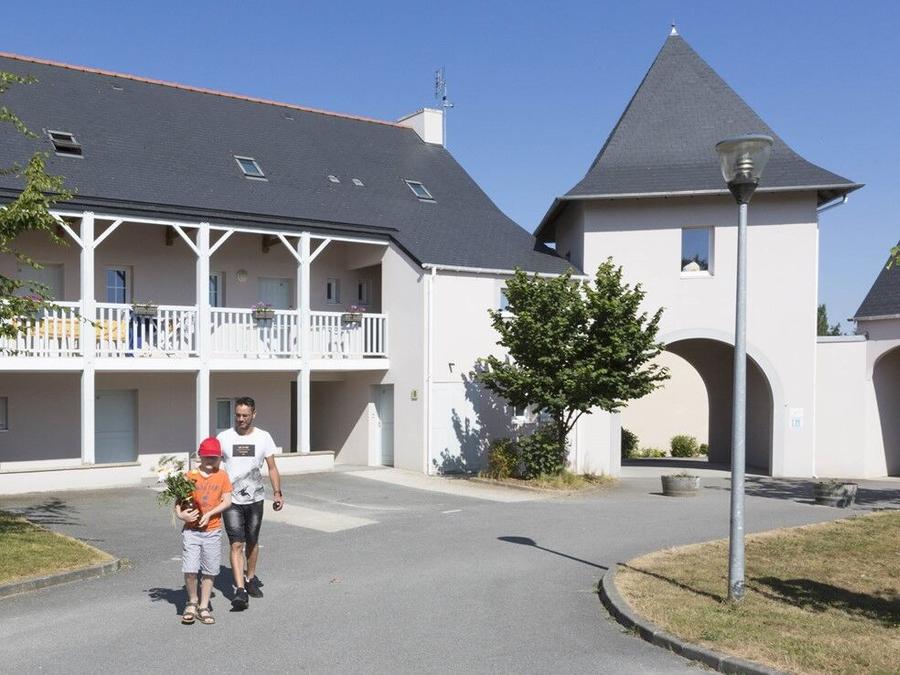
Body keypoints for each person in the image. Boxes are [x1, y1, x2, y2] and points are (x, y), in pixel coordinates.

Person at [218, 396, 284, 610]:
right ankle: (240, 590)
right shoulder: (224, 437)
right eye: (238, 415)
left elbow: (272, 467)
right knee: (236, 543)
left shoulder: (263, 437)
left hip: (255, 499)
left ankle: (250, 578)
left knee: (252, 541)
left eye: (245, 415)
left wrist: (277, 493)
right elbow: (214, 466)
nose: (241, 419)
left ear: (254, 414)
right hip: (231, 499)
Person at [176, 437, 232, 626]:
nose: (210, 461)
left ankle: (204, 606)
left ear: (219, 458)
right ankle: (192, 602)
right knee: (190, 569)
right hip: (191, 531)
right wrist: (181, 515)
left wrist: (210, 514)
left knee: (210, 570)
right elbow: (178, 502)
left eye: (214, 457)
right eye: (207, 457)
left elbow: (227, 501)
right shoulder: (189, 476)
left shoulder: (222, 476)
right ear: (200, 456)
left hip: (212, 530)